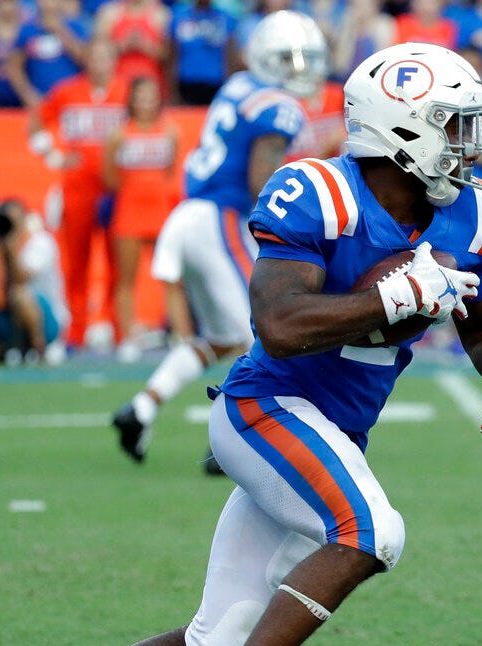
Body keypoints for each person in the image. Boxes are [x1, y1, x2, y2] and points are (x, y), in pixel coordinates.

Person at [0, 40, 482, 646]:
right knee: (371, 531)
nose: (470, 145)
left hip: (329, 433)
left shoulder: (472, 215)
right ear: (402, 128)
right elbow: (280, 323)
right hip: (264, 410)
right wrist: (384, 299)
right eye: (453, 126)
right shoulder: (317, 191)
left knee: (215, 644)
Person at [111, 11, 325, 465]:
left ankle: (141, 407)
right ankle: (233, 440)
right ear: (267, 57)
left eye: (304, 59)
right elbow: (260, 184)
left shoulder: (239, 86)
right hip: (220, 220)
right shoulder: (278, 107)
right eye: (289, 59)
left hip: (190, 217)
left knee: (224, 337)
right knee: (267, 327)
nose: (299, 69)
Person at [27, 37, 127, 350]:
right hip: (77, 188)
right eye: (94, 56)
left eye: (105, 56)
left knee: (118, 261)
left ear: (114, 59)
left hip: (115, 187)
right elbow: (36, 122)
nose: (99, 63)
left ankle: (118, 327)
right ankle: (77, 329)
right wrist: (53, 155)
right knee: (77, 260)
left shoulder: (126, 91)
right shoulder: (67, 91)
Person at [102, 75, 178, 362]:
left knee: (169, 274)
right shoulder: (119, 134)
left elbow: (170, 171)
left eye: (151, 95)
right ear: (131, 100)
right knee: (126, 277)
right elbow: (109, 177)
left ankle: (173, 330)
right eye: (141, 96)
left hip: (160, 212)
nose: (146, 101)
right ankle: (128, 337)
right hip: (130, 211)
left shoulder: (170, 131)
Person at [0, 198, 68, 363]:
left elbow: (21, 279)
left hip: (44, 319)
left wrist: (10, 249)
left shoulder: (39, 242)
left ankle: (39, 348)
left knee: (19, 296)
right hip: (7, 313)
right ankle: (0, 348)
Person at [6, 0, 88, 109]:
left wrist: (60, 30)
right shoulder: (27, 30)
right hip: (40, 101)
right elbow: (14, 68)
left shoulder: (76, 28)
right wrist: (29, 96)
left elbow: (86, 61)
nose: (49, 3)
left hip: (72, 102)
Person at [168, 0, 238, 106]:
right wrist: (172, 92)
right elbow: (172, 56)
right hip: (186, 84)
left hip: (216, 84)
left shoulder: (225, 19)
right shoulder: (179, 17)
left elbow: (231, 57)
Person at [93, 0, 169, 92]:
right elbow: (96, 52)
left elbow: (170, 56)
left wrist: (145, 46)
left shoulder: (160, 14)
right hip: (116, 84)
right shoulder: (110, 12)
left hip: (151, 86)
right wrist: (123, 45)